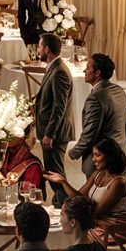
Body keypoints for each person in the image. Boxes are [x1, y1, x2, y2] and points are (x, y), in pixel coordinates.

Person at [67, 54, 126, 163]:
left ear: (97, 73)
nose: (84, 71)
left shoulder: (95, 98)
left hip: (102, 159)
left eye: (87, 67)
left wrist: (73, 152)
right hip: (121, 155)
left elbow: (90, 133)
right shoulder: (119, 90)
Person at [32, 33, 76, 179]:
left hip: (56, 134)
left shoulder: (60, 72)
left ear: (47, 50)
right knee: (52, 173)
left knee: (55, 176)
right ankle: (60, 202)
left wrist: (49, 135)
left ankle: (67, 201)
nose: (38, 50)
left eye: (39, 46)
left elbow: (59, 107)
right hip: (52, 132)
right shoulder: (54, 67)